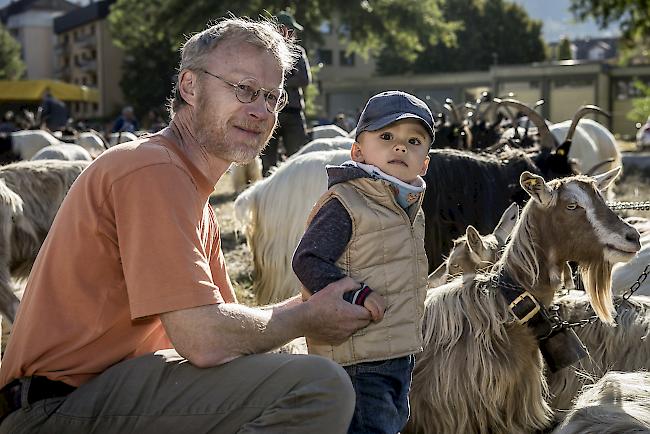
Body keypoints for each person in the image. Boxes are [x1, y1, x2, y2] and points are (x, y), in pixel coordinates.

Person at [0, 18, 372, 433]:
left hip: (101, 397)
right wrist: (306, 320)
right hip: (54, 410)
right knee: (320, 388)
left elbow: (230, 334)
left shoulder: (193, 197)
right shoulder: (149, 170)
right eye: (244, 89)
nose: (261, 111)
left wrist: (306, 305)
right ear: (190, 87)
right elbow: (205, 341)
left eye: (273, 96)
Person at [292, 91, 435, 434]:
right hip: (356, 357)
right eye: (386, 137)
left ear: (425, 162)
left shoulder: (406, 206)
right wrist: (356, 295)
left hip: (397, 354)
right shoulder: (347, 203)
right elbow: (308, 259)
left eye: (413, 141)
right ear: (357, 150)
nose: (400, 147)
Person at [261, 11, 311, 175]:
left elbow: (304, 79)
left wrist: (278, 82)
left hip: (293, 113)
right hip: (269, 112)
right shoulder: (265, 52)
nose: (292, 33)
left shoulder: (298, 52)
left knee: (299, 159)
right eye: (289, 29)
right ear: (279, 29)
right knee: (268, 163)